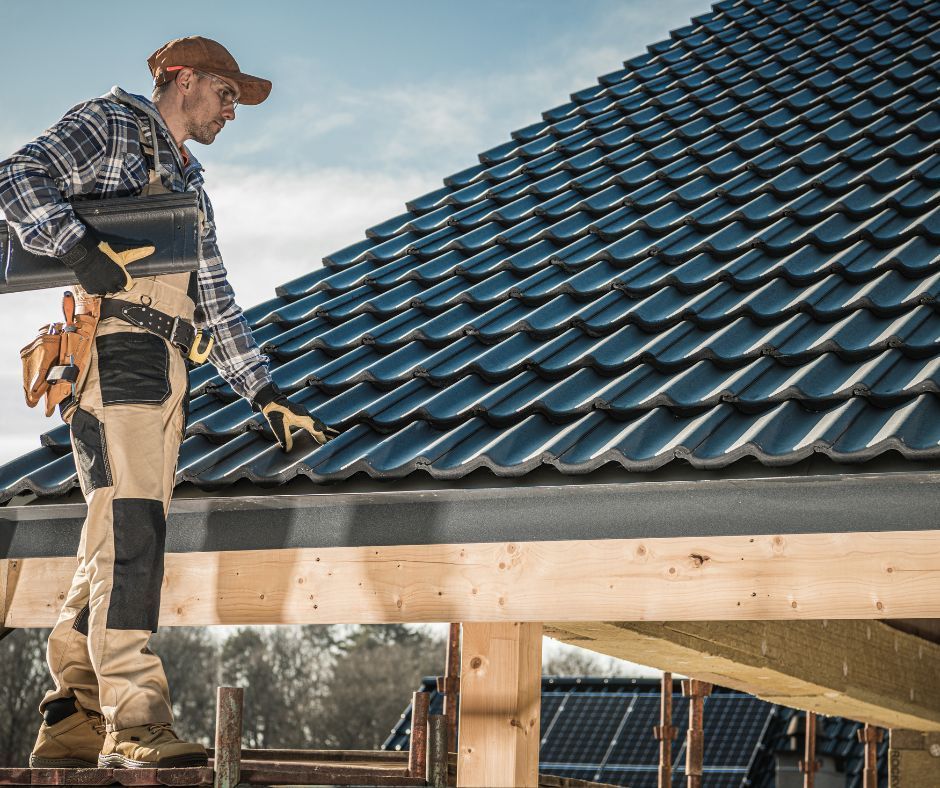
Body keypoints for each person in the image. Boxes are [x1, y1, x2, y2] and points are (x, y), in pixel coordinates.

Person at [0, 36, 336, 769]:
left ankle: (74, 715)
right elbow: (16, 177)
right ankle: (135, 720)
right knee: (135, 532)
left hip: (164, 363)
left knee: (109, 539)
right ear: (181, 81)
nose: (233, 110)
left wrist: (267, 394)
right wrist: (78, 246)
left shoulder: (190, 186)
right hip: (120, 354)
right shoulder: (114, 124)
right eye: (226, 93)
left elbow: (214, 297)